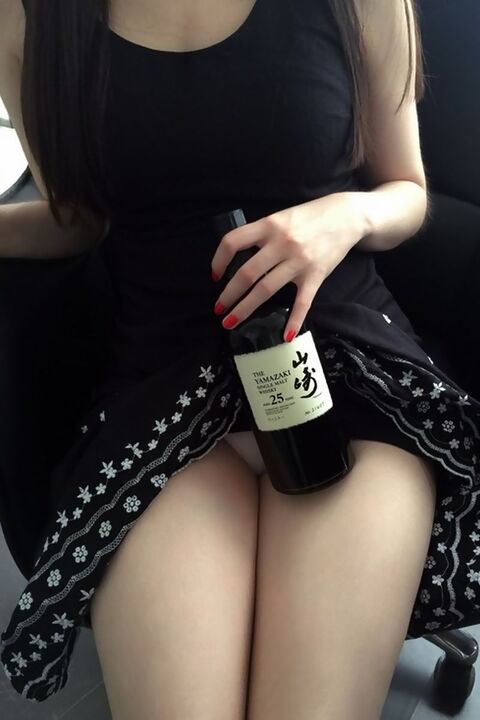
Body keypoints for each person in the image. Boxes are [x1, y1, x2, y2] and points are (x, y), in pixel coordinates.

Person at [0, 0, 479, 717]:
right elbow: (79, 217)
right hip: (162, 391)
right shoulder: (30, 16)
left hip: (346, 374)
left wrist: (346, 213)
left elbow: (407, 191)